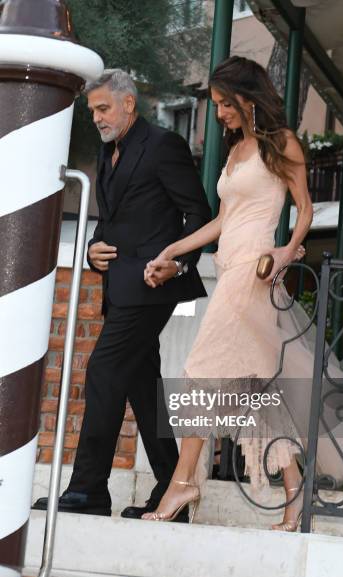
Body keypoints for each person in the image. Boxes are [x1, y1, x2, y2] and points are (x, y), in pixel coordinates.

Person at [141, 56, 312, 530]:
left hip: (254, 273)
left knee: (200, 369)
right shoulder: (237, 150)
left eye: (222, 103)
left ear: (246, 96)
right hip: (230, 262)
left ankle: (182, 482)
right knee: (258, 390)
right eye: (215, 104)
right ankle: (297, 494)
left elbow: (304, 209)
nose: (219, 113)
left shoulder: (282, 143)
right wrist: (172, 248)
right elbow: (221, 221)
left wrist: (286, 251)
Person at [33, 69, 211, 521]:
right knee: (142, 389)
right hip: (119, 288)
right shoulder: (108, 150)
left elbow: (199, 215)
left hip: (154, 287)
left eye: (103, 108)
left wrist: (178, 262)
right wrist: (94, 248)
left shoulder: (164, 146)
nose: (96, 117)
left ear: (128, 103)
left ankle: (88, 491)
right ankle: (175, 491)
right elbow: (112, 220)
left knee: (103, 371)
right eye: (92, 110)